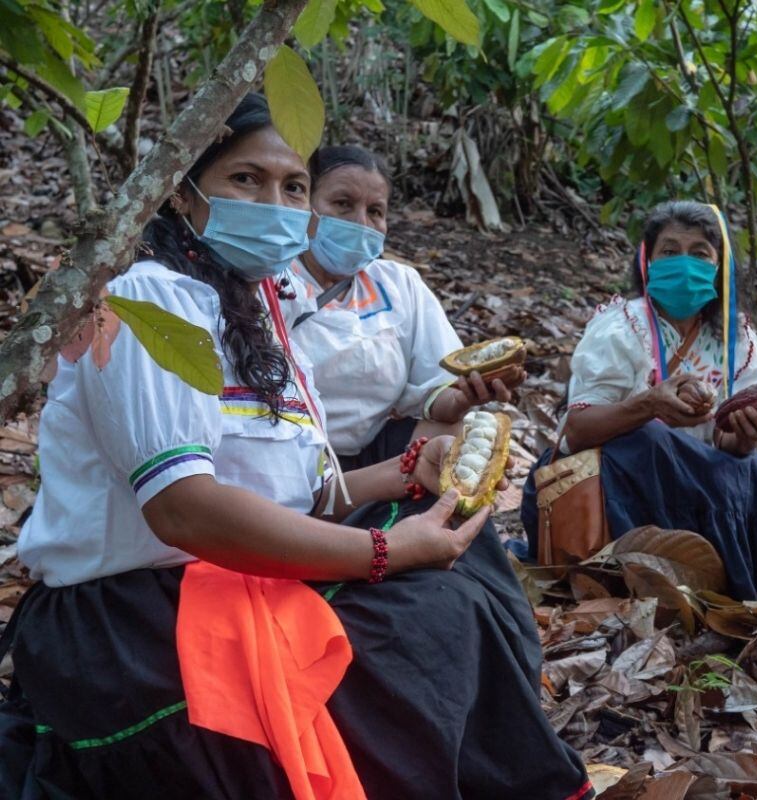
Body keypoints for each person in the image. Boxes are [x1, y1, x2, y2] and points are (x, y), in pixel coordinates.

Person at [0, 94, 593, 800]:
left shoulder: (260, 311)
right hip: (135, 614)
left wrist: (406, 470)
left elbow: (303, 490)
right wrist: (384, 550)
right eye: (245, 179)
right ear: (183, 194)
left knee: (456, 598)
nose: (274, 204)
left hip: (231, 577)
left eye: (292, 187)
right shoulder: (148, 304)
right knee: (421, 628)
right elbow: (184, 510)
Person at [521, 201, 757, 604]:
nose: (684, 263)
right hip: (614, 480)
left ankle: (740, 603)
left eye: (699, 253)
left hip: (691, 479)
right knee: (651, 439)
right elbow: (576, 432)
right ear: (648, 260)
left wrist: (746, 437)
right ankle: (642, 586)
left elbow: (725, 446)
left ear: (720, 267)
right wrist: (647, 406)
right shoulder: (621, 328)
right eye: (669, 251)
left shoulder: (737, 343)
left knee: (755, 470)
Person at [282, 144, 522, 469]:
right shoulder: (273, 282)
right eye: (343, 204)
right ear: (305, 204)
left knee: (457, 440)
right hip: (286, 459)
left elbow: (438, 391)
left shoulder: (397, 285)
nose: (361, 222)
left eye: (375, 211)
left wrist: (462, 398)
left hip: (371, 456)